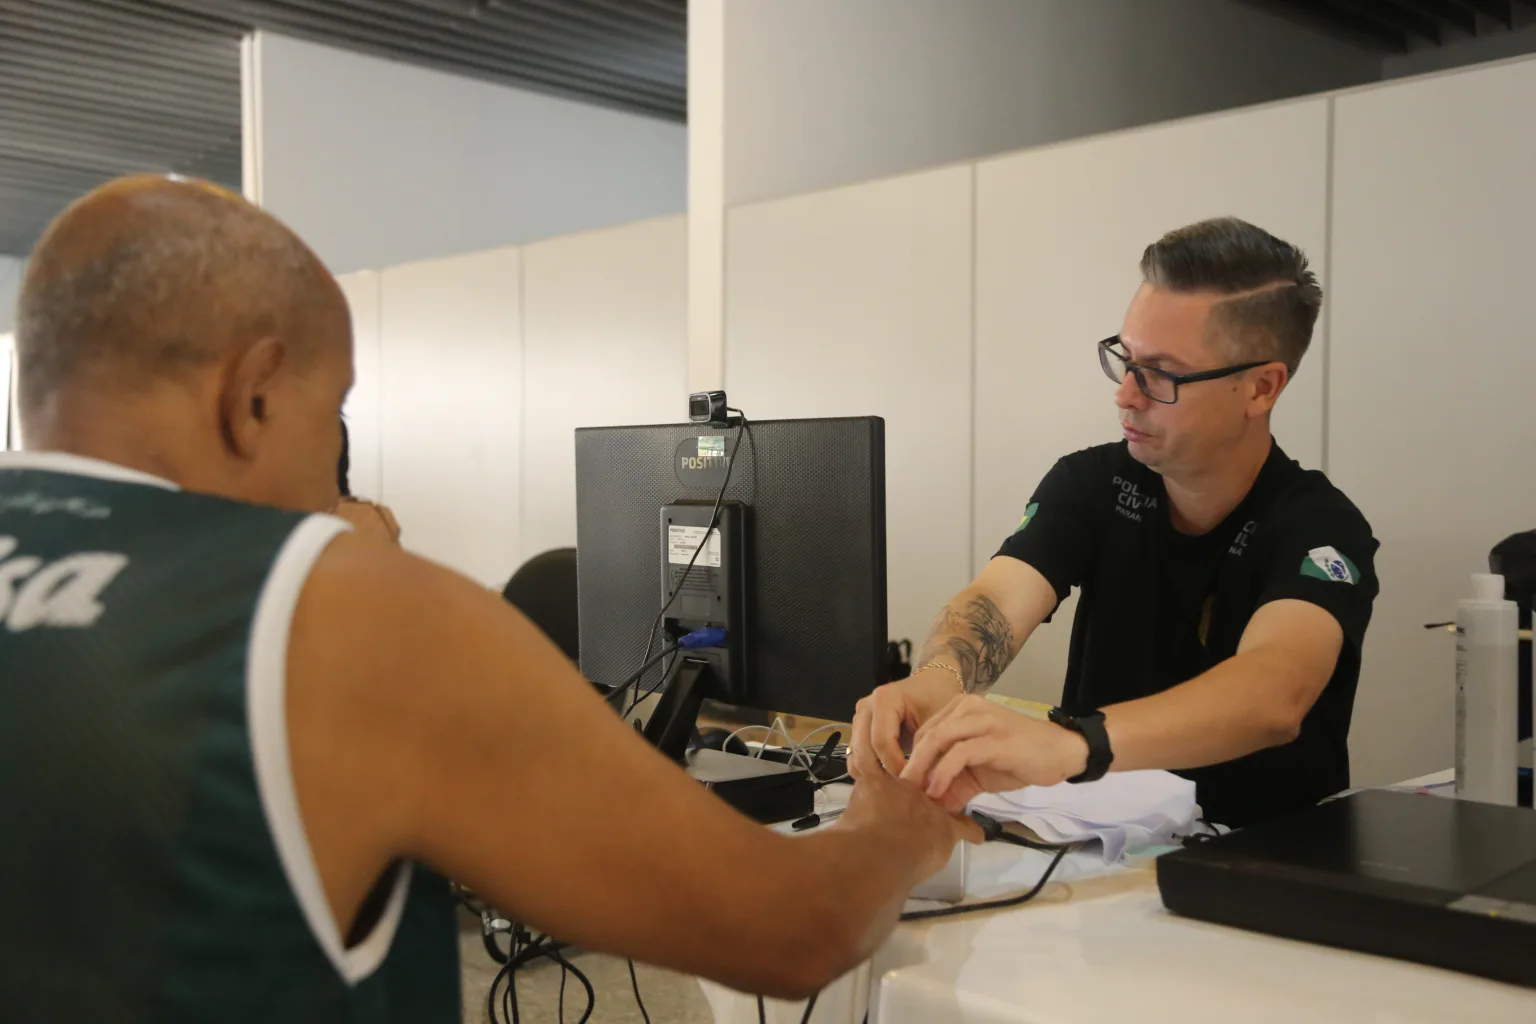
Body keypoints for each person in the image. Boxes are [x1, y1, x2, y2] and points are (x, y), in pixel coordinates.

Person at [0, 176, 978, 1022]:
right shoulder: (333, 609)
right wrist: (895, 830)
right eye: (331, 411)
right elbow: (788, 927)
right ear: (254, 394)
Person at [858, 218, 1379, 828]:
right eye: (1124, 360)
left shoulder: (1320, 527)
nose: (1125, 394)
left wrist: (1073, 745)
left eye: (1161, 374)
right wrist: (937, 681)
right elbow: (999, 600)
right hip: (1095, 850)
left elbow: (1273, 694)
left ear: (1261, 388)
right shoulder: (1094, 483)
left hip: (1261, 868)